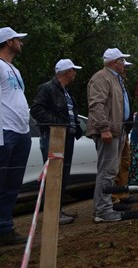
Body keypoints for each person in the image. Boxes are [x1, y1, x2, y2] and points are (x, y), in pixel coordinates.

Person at [30, 59, 84, 225]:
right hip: (54, 137)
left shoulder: (66, 91)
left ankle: (57, 210)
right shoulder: (47, 88)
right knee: (54, 175)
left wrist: (76, 127)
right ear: (66, 72)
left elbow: (69, 113)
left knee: (63, 175)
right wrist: (57, 124)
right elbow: (36, 110)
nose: (75, 73)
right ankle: (52, 214)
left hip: (67, 138)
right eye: (73, 70)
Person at [87, 48, 131, 223]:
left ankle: (105, 208)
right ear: (114, 62)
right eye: (122, 60)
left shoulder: (113, 78)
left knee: (111, 170)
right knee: (107, 170)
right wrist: (104, 128)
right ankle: (102, 210)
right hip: (108, 132)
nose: (124, 64)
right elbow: (96, 104)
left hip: (117, 130)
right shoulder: (101, 77)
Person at [0, 27, 30, 246]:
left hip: (21, 132)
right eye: (18, 39)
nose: (21, 42)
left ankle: (5, 229)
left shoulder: (14, 70)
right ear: (9, 42)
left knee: (12, 185)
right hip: (5, 132)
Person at [112, 59, 137, 211]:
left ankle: (123, 194)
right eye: (124, 66)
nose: (125, 69)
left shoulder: (121, 82)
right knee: (114, 165)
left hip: (124, 130)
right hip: (117, 129)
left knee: (124, 163)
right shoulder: (112, 82)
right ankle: (114, 198)